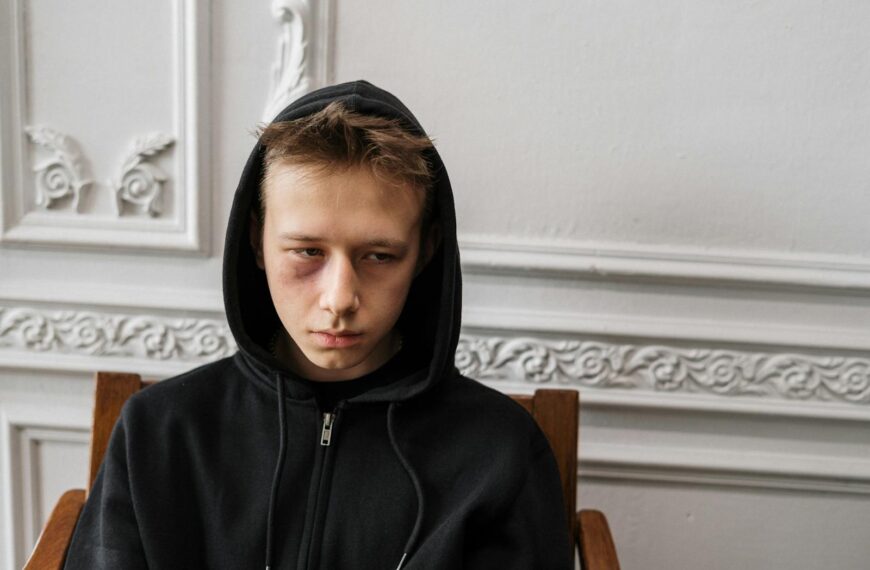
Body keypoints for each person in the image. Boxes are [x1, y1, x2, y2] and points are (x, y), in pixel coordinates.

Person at [65, 80, 572, 569]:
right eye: (307, 252)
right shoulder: (160, 432)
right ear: (257, 240)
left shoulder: (499, 451)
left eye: (379, 255)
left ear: (425, 252)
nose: (340, 299)